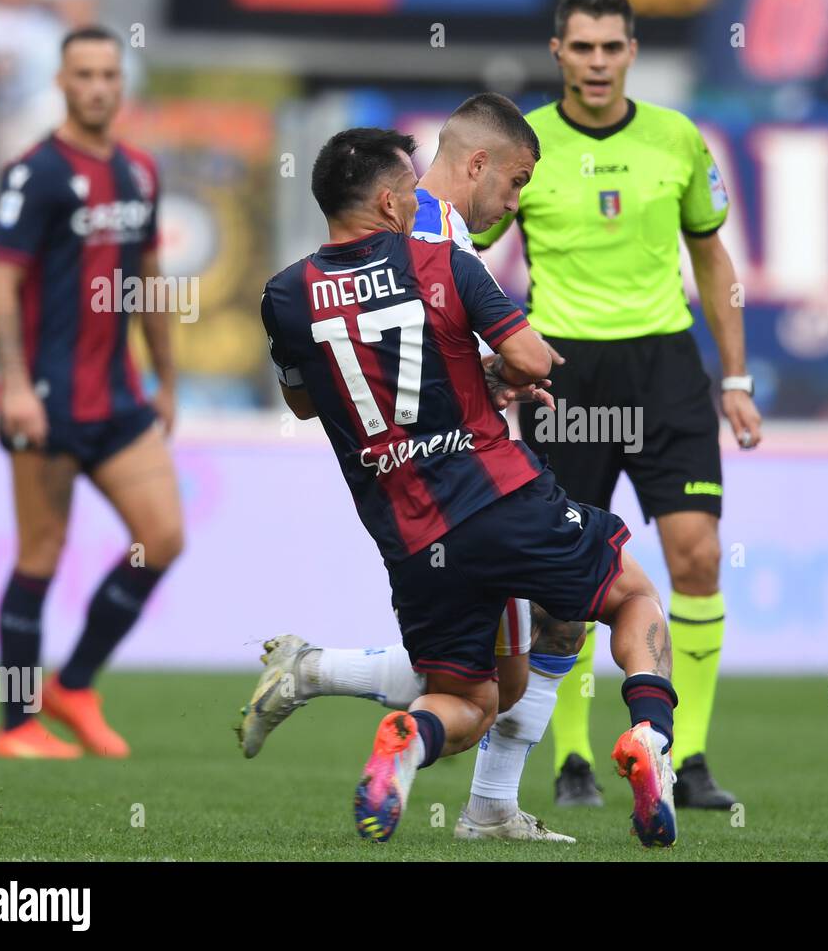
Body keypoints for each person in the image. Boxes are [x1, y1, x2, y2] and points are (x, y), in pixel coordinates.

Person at [258, 126, 681, 846]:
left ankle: (407, 737)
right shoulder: (442, 261)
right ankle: (650, 736)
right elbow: (528, 355)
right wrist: (511, 370)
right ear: (390, 201)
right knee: (633, 595)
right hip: (498, 496)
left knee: (472, 699)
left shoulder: (286, 295)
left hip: (412, 536)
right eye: (411, 188)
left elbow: (305, 402)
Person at [238, 94, 581, 843]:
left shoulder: (374, 253)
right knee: (545, 635)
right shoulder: (423, 238)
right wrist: (501, 373)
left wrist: (482, 375)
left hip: (411, 498)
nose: (515, 203)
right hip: (469, 483)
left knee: (507, 668)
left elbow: (348, 379)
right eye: (516, 183)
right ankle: (484, 802)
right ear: (480, 163)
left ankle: (315, 675)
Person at [471, 0, 763, 808]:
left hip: (665, 367)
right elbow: (468, 249)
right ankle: (571, 761)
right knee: (565, 578)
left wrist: (734, 379)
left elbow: (712, 261)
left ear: (632, 50)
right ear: (557, 50)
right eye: (582, 47)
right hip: (564, 372)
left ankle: (687, 756)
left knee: (698, 555)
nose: (597, 62)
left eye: (612, 47)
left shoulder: (676, 136)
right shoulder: (524, 145)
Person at [0, 25, 182, 759]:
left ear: (120, 84)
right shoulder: (34, 173)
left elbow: (151, 279)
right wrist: (13, 386)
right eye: (84, 74)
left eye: (109, 74)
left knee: (162, 537)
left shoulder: (139, 173)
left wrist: (167, 377)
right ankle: (17, 725)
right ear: (62, 83)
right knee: (42, 553)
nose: (99, 86)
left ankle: (76, 683)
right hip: (49, 396)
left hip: (121, 398)